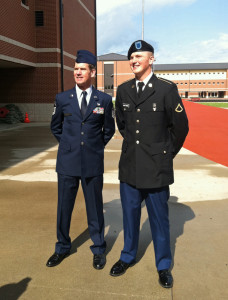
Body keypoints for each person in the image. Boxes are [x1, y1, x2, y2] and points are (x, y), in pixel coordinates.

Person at [110, 40, 189, 288]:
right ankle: (127, 256)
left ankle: (163, 265)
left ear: (151, 59)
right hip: (130, 166)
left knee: (159, 220)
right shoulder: (123, 91)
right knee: (130, 217)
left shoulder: (166, 89)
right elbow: (122, 125)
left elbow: (180, 128)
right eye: (131, 57)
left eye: (139, 56)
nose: (134, 60)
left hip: (156, 168)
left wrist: (165, 155)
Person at [46, 50, 115, 270]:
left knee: (94, 208)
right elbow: (55, 127)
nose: (77, 72)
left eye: (82, 69)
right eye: (75, 69)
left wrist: (93, 147)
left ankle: (98, 248)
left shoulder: (103, 100)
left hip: (92, 163)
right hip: (67, 163)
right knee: (64, 208)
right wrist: (69, 145)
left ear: (92, 72)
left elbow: (109, 130)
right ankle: (62, 247)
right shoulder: (62, 98)